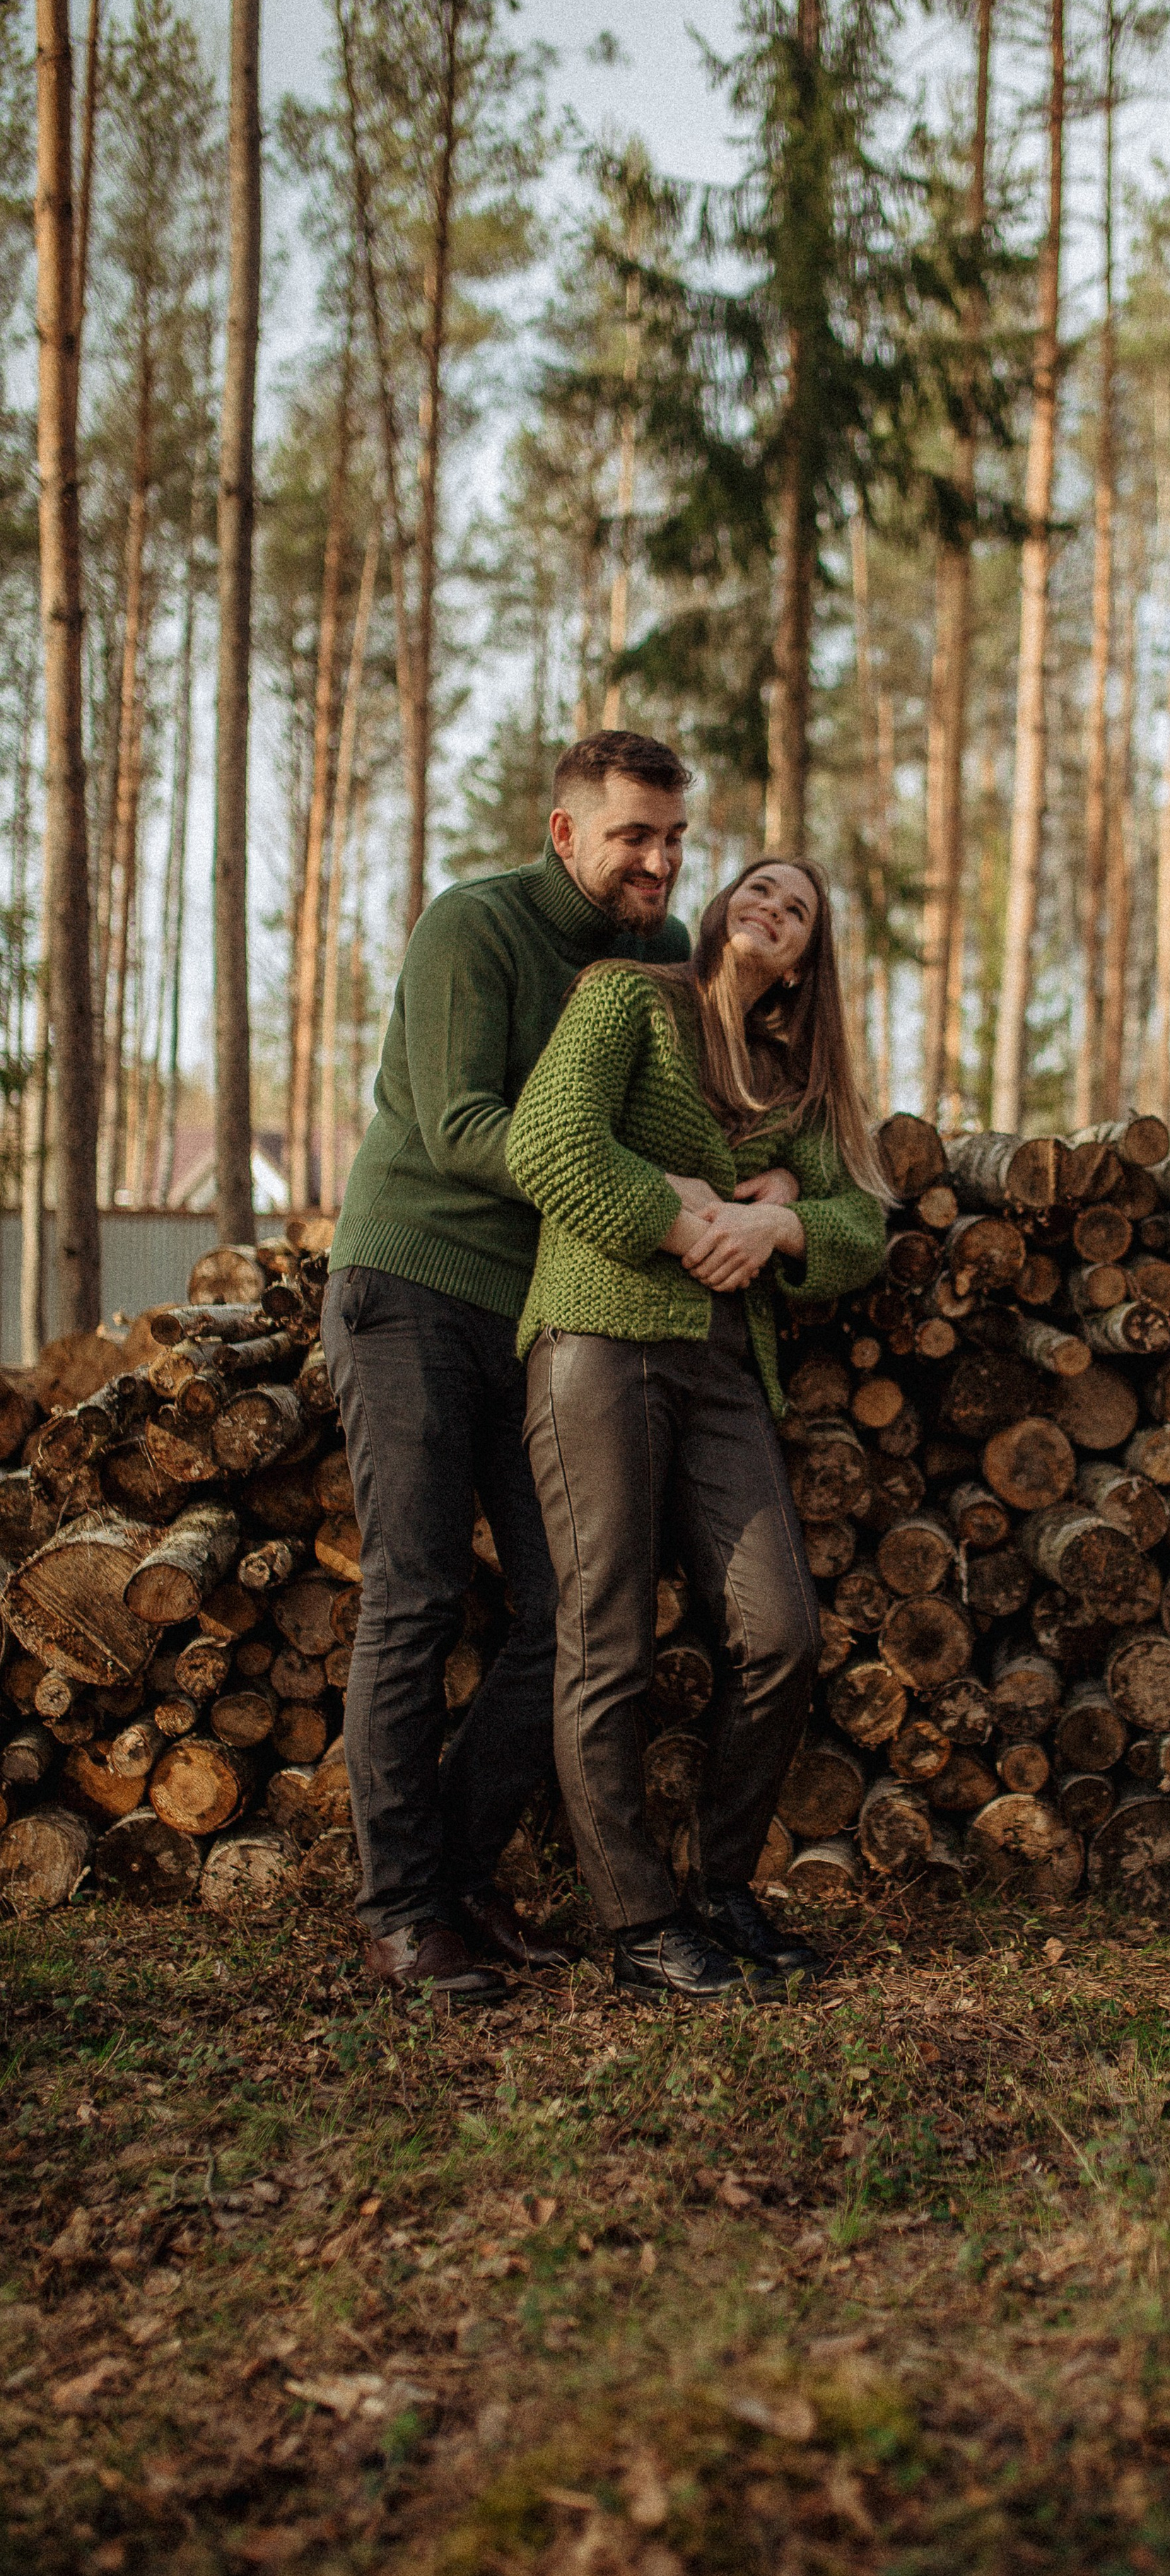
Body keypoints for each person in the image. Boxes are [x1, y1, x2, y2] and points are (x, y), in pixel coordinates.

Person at [322, 729, 694, 2007]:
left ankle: (466, 1878)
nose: (658, 859)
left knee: (567, 1610)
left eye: (674, 836)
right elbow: (460, 1125)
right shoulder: (472, 930)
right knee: (418, 1593)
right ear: (566, 832)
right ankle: (399, 1909)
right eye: (634, 833)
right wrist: (655, 1198)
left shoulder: (666, 957)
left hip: (544, 1313)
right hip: (414, 1284)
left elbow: (684, 1108)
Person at [505, 855, 889, 2005]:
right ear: (724, 909)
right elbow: (549, 1143)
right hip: (598, 1333)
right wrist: (696, 1222)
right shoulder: (632, 998)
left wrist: (778, 1232)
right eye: (760, 887)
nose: (773, 906)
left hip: (728, 1366)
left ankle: (722, 1887)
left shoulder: (791, 1078)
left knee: (781, 1634)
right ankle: (636, 1917)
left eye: (801, 910)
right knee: (605, 1629)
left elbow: (863, 1221)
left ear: (804, 963)